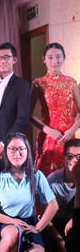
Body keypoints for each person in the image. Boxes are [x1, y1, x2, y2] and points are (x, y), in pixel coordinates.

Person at [0, 132, 58, 252]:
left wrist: (37, 228)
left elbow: (53, 205)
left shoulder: (36, 175)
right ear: (5, 152)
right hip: (4, 223)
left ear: (27, 151)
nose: (17, 153)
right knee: (12, 234)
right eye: (12, 149)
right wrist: (11, 221)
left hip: (28, 223)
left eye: (21, 149)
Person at [30, 43, 80, 176]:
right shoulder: (39, 83)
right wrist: (48, 130)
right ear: (44, 59)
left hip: (68, 137)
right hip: (49, 137)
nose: (54, 61)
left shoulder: (71, 82)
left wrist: (72, 130)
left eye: (58, 57)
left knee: (71, 175)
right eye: (50, 57)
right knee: (47, 176)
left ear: (64, 58)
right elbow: (29, 115)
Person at [0, 42, 31, 171]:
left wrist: (4, 144)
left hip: (14, 147)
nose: (2, 61)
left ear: (14, 59)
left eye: (6, 57)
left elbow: (22, 118)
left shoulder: (22, 85)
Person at [41, 139, 80, 252]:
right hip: (54, 223)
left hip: (72, 221)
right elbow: (45, 217)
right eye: (70, 156)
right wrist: (59, 241)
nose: (74, 161)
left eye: (78, 157)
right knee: (44, 235)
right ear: (64, 158)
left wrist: (73, 220)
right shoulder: (52, 182)